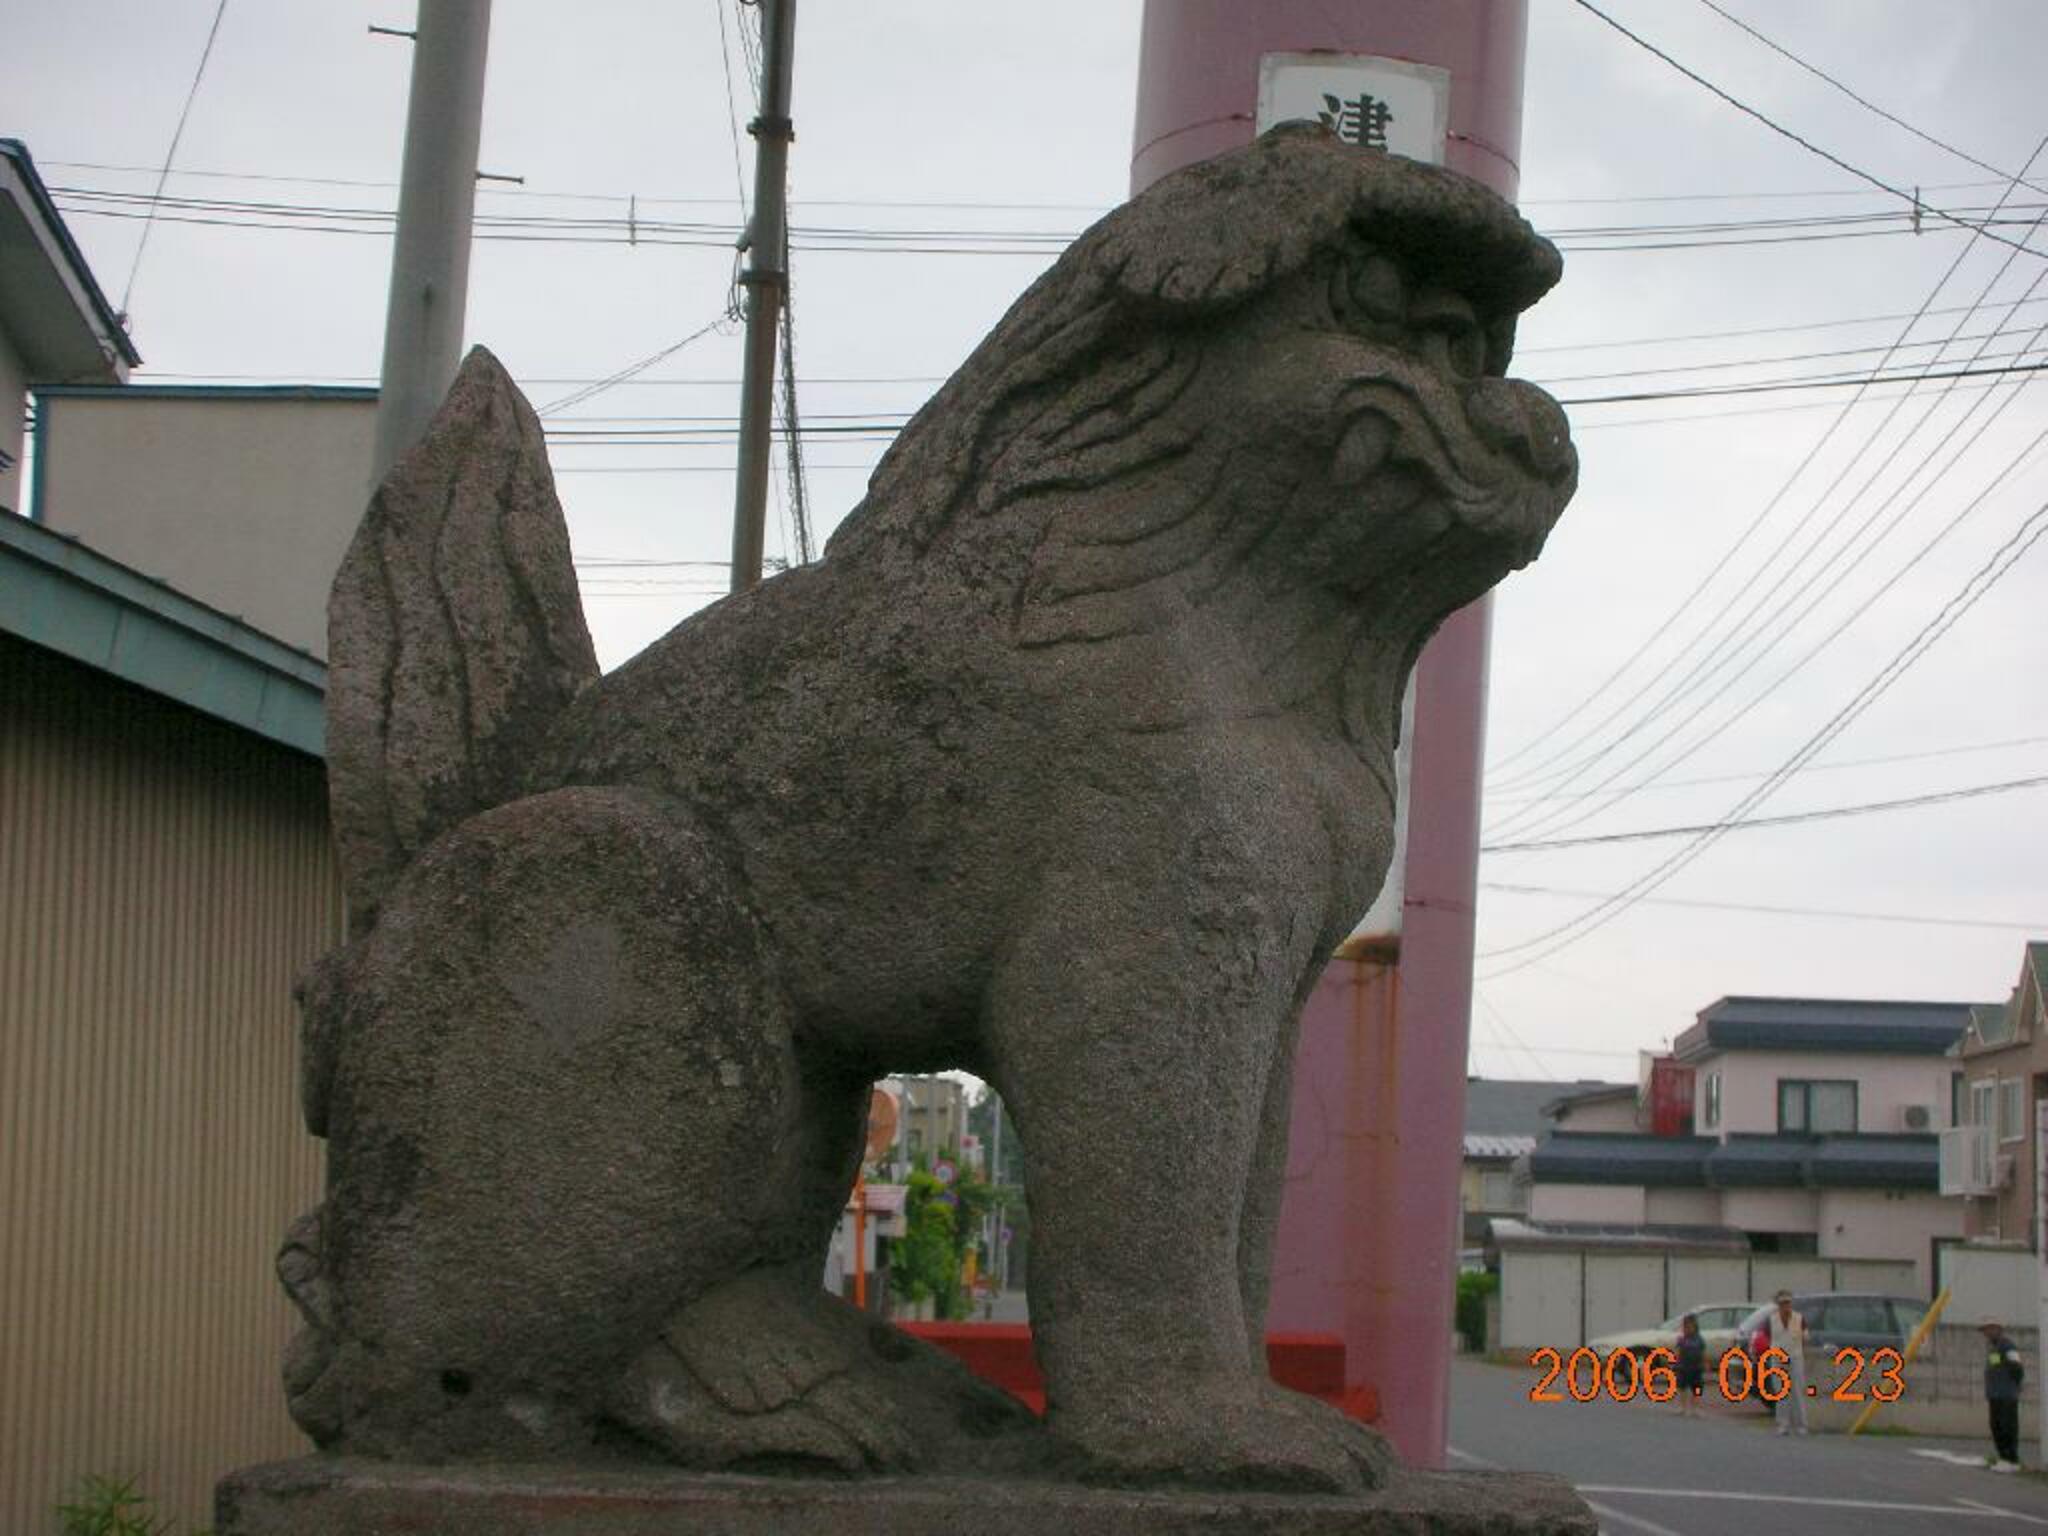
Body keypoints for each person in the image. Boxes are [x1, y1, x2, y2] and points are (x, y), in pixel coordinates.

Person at [1981, 1315, 2025, 1471]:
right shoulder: (1993, 1347)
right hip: (1995, 1394)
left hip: (2007, 1394)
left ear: (1999, 1329)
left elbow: (2016, 1367)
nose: (1987, 1332)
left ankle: (2012, 1459)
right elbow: (1995, 1367)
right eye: (1985, 1330)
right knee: (1996, 1425)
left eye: (1990, 1329)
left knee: (2008, 1427)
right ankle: (2003, 1458)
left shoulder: (2007, 1346)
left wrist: (2015, 1385)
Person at [1766, 1291, 1810, 1436]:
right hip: (1778, 1358)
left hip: (1795, 1357)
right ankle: (1783, 1424)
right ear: (1778, 1305)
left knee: (1797, 1391)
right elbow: (1767, 1338)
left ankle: (1801, 1425)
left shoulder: (1799, 1318)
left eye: (1788, 1303)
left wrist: (1802, 1353)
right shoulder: (1771, 1320)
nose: (1786, 1306)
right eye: (1782, 1303)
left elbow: (1805, 1338)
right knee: (1781, 1392)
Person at [1674, 1312, 1707, 1417]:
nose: (1688, 1328)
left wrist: (1705, 1363)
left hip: (1696, 1367)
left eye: (1690, 1326)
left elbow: (1703, 1352)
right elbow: (1678, 1352)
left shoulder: (1699, 1339)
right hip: (1684, 1367)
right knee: (1682, 1388)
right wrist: (1676, 1363)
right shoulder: (1682, 1339)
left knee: (1696, 1388)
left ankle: (1695, 1408)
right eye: (1685, 1326)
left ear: (1695, 1326)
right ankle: (1682, 1407)